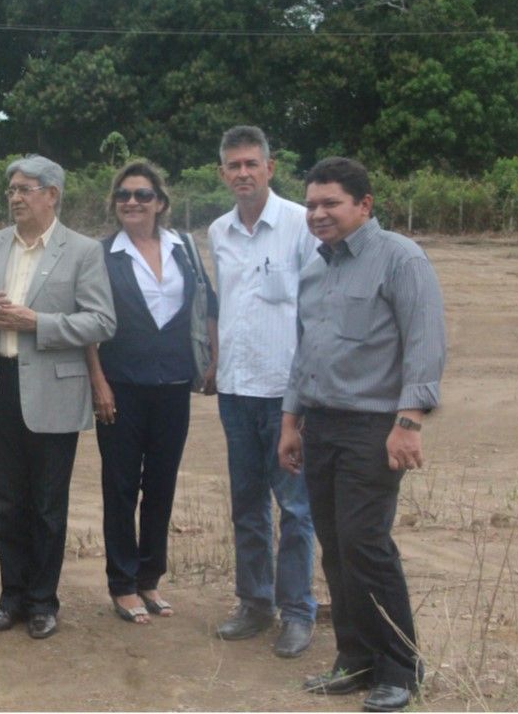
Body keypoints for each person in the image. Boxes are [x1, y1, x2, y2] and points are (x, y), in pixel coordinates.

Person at [278, 157, 446, 712]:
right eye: (311, 205)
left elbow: (423, 342)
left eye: (331, 203)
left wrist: (408, 423)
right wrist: (291, 422)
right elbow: (306, 355)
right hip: (320, 424)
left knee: (365, 545)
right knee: (335, 547)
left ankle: (400, 667)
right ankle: (355, 658)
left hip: (374, 427)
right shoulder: (315, 269)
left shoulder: (399, 259)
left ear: (365, 205)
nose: (318, 214)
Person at [0, 154, 116, 640]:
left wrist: (38, 324)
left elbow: (103, 321)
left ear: (52, 194)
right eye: (11, 189)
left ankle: (43, 601)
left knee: (48, 503)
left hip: (54, 391)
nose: (15, 197)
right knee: (8, 502)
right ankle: (10, 599)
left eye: (25, 189)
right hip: (0, 385)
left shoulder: (83, 251)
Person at [85, 161, 217, 625]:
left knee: (161, 484)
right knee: (121, 486)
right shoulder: (102, 254)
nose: (132, 203)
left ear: (161, 202)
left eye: (142, 195)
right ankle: (122, 584)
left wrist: (212, 361)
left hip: (174, 383)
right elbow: (89, 324)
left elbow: (206, 304)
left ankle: (149, 578)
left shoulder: (185, 248)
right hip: (120, 384)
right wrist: (97, 381)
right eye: (123, 195)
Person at [208, 126, 319, 657]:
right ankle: (255, 603)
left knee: (295, 509)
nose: (244, 173)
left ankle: (298, 611)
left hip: (287, 395)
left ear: (271, 168)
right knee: (247, 506)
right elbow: (221, 307)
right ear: (223, 174)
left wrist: (305, 394)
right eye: (234, 165)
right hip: (235, 391)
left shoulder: (302, 224)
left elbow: (319, 309)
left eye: (252, 163)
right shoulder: (217, 232)